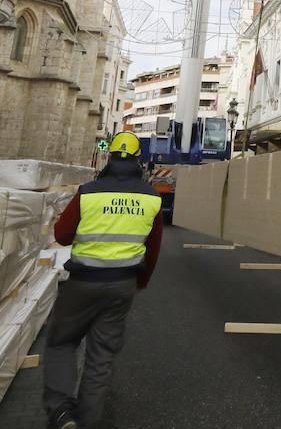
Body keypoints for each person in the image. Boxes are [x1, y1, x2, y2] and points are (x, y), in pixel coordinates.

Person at [44, 132, 163, 429]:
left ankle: (61, 412)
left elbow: (61, 236)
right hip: (123, 284)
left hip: (83, 283)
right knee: (102, 354)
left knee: (61, 342)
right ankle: (86, 421)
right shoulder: (152, 198)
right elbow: (154, 247)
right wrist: (142, 281)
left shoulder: (88, 192)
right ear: (139, 161)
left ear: (110, 157)